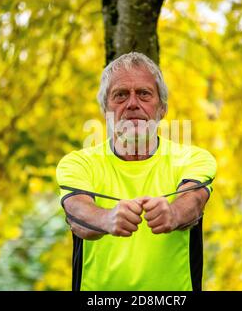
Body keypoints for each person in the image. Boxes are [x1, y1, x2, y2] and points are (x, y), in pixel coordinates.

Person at [56, 52, 217, 291]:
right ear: (105, 109)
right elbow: (78, 215)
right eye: (120, 95)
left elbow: (193, 203)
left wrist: (172, 213)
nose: (132, 104)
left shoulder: (194, 159)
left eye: (144, 94)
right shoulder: (78, 163)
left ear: (162, 108)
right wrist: (107, 219)